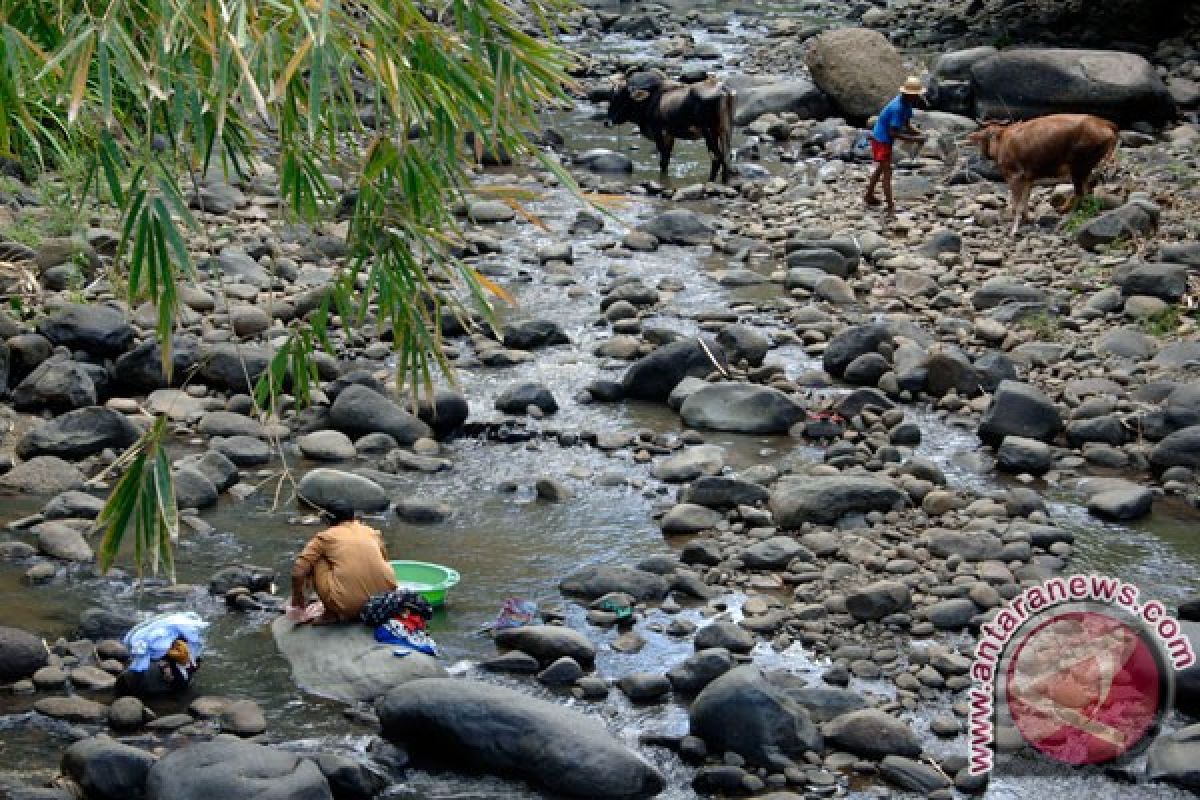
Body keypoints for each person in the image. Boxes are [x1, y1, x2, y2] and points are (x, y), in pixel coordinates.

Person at [289, 503, 398, 624]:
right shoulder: (371, 532)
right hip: (383, 599)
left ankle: (330, 613)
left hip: (349, 606)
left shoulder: (324, 537)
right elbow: (384, 559)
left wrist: (297, 597)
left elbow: (298, 572)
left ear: (329, 520)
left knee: (316, 559)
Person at [863, 76, 928, 213]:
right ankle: (890, 206)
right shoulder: (897, 108)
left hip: (884, 139)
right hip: (881, 140)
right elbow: (893, 133)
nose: (917, 98)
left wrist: (920, 133)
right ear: (908, 95)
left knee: (881, 168)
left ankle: (869, 195)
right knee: (887, 171)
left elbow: (907, 125)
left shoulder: (907, 103)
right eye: (916, 95)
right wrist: (915, 139)